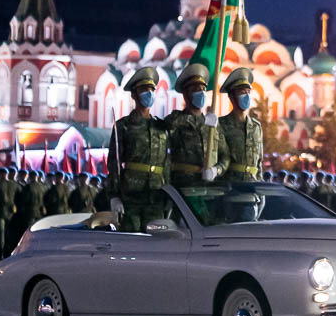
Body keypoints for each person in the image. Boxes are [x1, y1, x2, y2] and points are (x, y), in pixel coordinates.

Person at [107, 66, 170, 232]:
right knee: (132, 240)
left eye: (151, 90)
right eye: (143, 90)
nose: (148, 94)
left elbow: (167, 164)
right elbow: (114, 162)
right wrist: (114, 195)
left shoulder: (161, 127)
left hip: (156, 196)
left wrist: (170, 195)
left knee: (156, 242)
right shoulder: (124, 125)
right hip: (131, 195)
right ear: (134, 95)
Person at [166, 62, 228, 190]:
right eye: (195, 89)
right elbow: (168, 124)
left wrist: (217, 170)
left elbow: (225, 156)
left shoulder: (213, 124)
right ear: (186, 94)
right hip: (184, 186)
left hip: (210, 187)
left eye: (203, 89)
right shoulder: (176, 120)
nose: (201, 93)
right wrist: (203, 121)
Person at [218, 67, 263, 183]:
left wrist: (261, 192)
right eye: (242, 93)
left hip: (253, 188)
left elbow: (259, 163)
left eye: (248, 92)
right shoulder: (221, 124)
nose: (247, 96)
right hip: (231, 187)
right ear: (231, 97)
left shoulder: (256, 126)